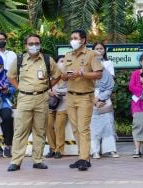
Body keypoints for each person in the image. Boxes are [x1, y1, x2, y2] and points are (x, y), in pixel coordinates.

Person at [7, 34, 61, 171]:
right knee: (20, 130)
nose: (34, 46)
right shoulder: (19, 59)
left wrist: (47, 87)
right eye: (30, 43)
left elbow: (57, 75)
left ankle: (38, 160)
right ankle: (16, 161)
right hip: (24, 99)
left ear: (40, 44)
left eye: (36, 43)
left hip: (42, 98)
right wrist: (20, 88)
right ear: (26, 46)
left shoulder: (47, 60)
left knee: (40, 131)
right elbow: (11, 76)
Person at [62, 29, 103, 171]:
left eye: (75, 38)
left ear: (83, 40)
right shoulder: (67, 55)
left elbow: (98, 75)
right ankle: (82, 156)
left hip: (85, 96)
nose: (72, 40)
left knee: (83, 128)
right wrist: (67, 76)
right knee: (75, 129)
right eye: (71, 38)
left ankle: (84, 159)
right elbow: (63, 75)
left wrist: (81, 73)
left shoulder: (93, 55)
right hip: (70, 96)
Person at [90, 42, 119, 159]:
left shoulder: (107, 65)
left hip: (105, 96)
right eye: (96, 49)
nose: (99, 51)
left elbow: (110, 84)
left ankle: (111, 150)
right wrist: (94, 99)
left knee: (108, 123)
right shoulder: (87, 66)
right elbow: (85, 84)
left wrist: (102, 98)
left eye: (101, 48)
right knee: (93, 124)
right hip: (91, 97)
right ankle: (95, 151)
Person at [45, 55, 68, 159]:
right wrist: (49, 92)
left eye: (64, 61)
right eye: (61, 61)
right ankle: (52, 148)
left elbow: (70, 89)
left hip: (63, 104)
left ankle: (59, 150)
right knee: (48, 125)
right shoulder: (49, 76)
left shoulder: (67, 77)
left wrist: (57, 91)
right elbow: (43, 88)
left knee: (59, 126)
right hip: (50, 104)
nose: (62, 63)